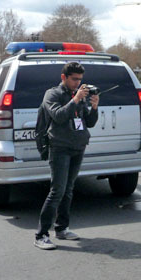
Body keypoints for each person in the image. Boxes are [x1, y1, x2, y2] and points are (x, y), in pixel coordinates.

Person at [34, 62, 99, 250]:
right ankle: (41, 235)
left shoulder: (78, 95)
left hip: (78, 147)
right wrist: (75, 99)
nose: (77, 83)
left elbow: (89, 122)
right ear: (64, 77)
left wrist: (94, 108)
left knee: (68, 190)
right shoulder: (52, 94)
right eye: (74, 79)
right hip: (60, 148)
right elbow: (59, 116)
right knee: (57, 191)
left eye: (80, 79)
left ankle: (61, 228)